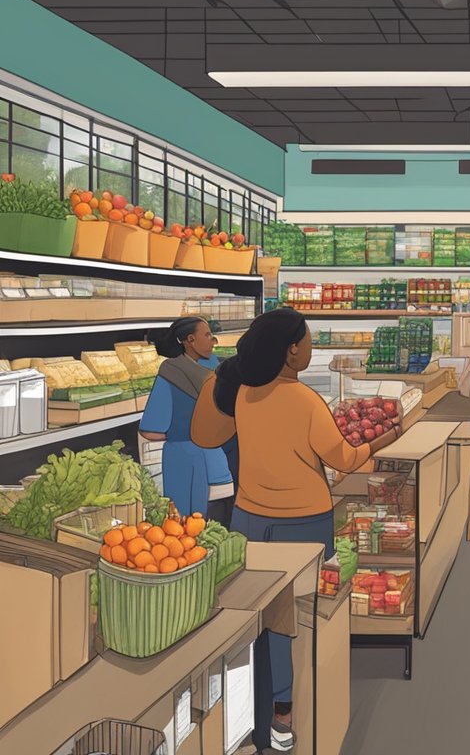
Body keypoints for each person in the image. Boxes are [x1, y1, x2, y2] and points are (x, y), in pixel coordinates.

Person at [191, 308, 398, 753]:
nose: (311, 348)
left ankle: (249, 717)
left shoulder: (243, 393)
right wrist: (382, 441)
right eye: (307, 342)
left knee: (256, 618)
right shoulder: (304, 401)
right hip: (303, 520)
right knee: (298, 618)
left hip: (249, 518)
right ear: (291, 351)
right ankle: (286, 715)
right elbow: (343, 458)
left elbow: (212, 434)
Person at [139, 317, 233, 521]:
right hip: (224, 468)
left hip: (186, 465)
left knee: (188, 534)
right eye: (207, 335)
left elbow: (150, 430)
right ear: (190, 339)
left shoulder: (170, 372)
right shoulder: (217, 368)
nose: (213, 340)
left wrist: (181, 432)